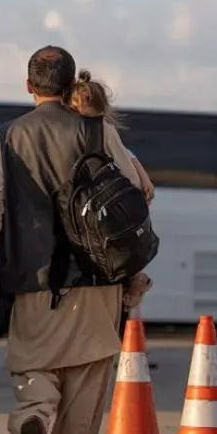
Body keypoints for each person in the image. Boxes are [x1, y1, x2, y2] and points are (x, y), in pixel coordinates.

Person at [0, 46, 143, 434]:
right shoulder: (95, 129)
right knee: (87, 373)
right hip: (96, 275)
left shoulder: (7, 137)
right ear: (69, 87)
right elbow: (137, 188)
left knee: (35, 364)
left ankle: (34, 419)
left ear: (29, 86)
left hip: (33, 278)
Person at [65, 69, 156, 341]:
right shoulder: (106, 130)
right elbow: (130, 170)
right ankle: (135, 275)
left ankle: (135, 277)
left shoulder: (84, 131)